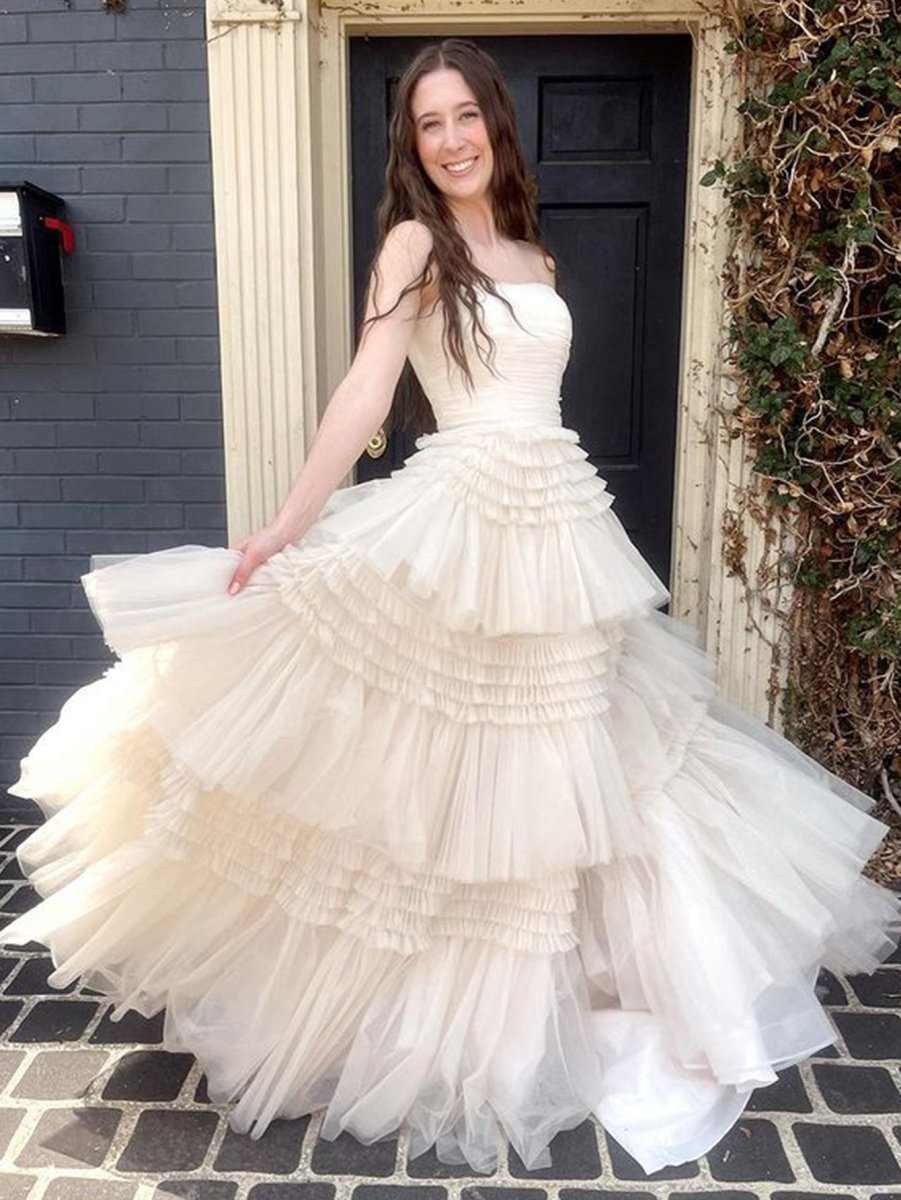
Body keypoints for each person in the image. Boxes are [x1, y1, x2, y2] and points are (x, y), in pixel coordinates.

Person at [3, 37, 899, 1178]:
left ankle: (528, 1004)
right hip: (459, 521)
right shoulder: (414, 244)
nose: (450, 139)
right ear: (411, 144)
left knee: (556, 774)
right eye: (428, 124)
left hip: (554, 526)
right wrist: (284, 526)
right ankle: (433, 1019)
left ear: (495, 121)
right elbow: (368, 386)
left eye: (464, 114)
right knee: (437, 780)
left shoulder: (532, 252)